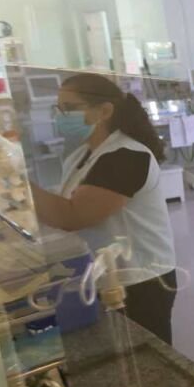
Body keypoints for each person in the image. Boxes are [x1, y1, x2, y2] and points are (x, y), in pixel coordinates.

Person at [30, 73, 178, 344]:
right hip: (107, 276)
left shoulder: (127, 156)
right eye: (58, 109)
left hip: (141, 280)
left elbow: (73, 215)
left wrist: (19, 183)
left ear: (105, 111)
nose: (61, 116)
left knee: (148, 358)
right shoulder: (82, 155)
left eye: (70, 108)